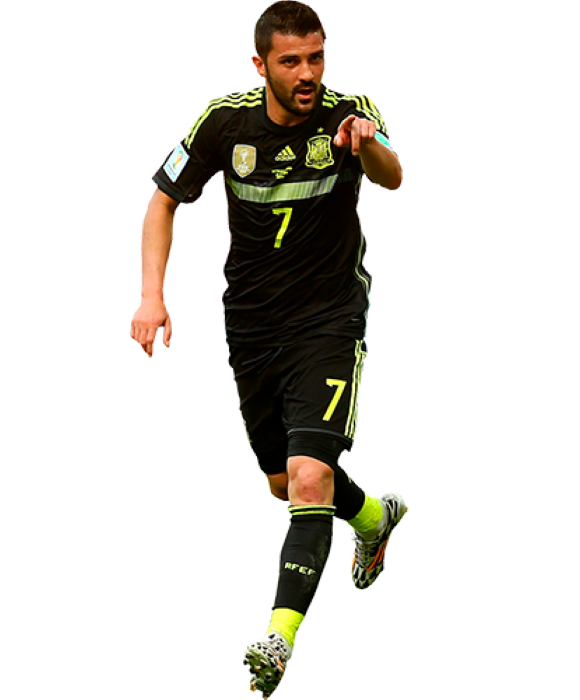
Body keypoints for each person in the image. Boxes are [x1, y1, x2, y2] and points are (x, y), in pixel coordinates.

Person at [130, 2, 407, 697]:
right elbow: (161, 201)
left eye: (317, 57)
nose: (308, 73)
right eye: (291, 61)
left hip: (329, 318)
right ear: (260, 66)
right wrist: (152, 298)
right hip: (251, 324)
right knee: (283, 484)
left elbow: (393, 175)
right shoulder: (224, 122)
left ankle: (277, 640)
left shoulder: (350, 112)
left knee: (310, 477)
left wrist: (366, 142)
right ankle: (375, 517)